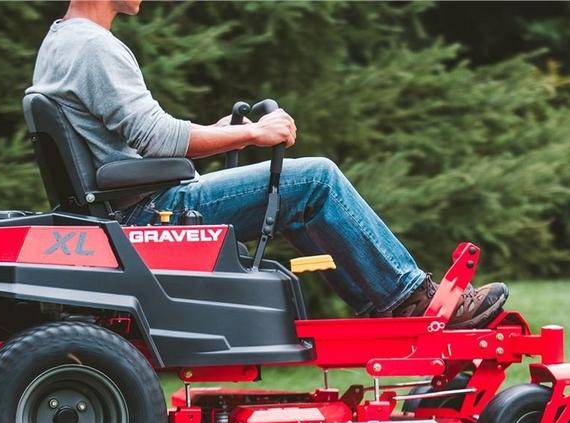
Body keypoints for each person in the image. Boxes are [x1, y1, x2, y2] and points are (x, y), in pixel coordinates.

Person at [26, 0, 508, 328]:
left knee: (305, 183)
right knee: (316, 180)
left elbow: (124, 140)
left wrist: (222, 130)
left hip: (126, 207)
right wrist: (254, 132)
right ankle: (410, 303)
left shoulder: (60, 41)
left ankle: (395, 304)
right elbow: (155, 138)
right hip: (149, 214)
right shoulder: (95, 47)